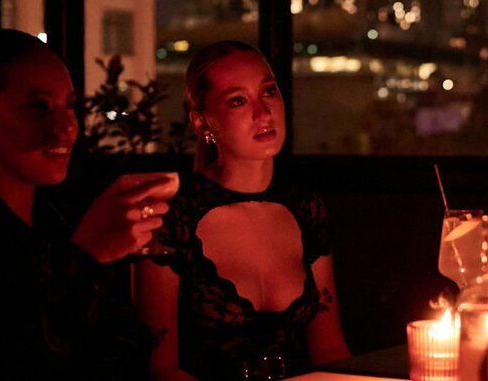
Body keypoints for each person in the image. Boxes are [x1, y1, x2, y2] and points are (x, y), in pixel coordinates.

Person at [0, 29, 178, 380]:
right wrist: (88, 258)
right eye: (39, 105)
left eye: (69, 105)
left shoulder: (57, 221)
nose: (64, 128)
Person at [136, 41, 350, 381]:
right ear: (203, 123)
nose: (263, 113)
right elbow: (161, 368)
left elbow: (330, 350)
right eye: (238, 100)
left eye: (268, 92)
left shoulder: (307, 209)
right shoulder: (171, 219)